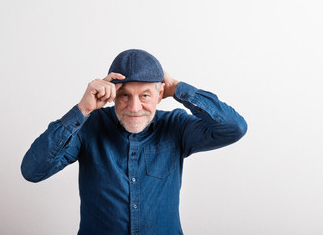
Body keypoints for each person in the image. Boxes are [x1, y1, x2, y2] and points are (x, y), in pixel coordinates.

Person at [21, 49, 247, 235]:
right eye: (125, 95)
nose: (134, 108)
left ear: (160, 95)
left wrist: (178, 88)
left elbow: (234, 128)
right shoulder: (88, 126)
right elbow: (33, 170)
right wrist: (82, 110)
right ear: (112, 95)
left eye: (145, 96)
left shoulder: (176, 126)